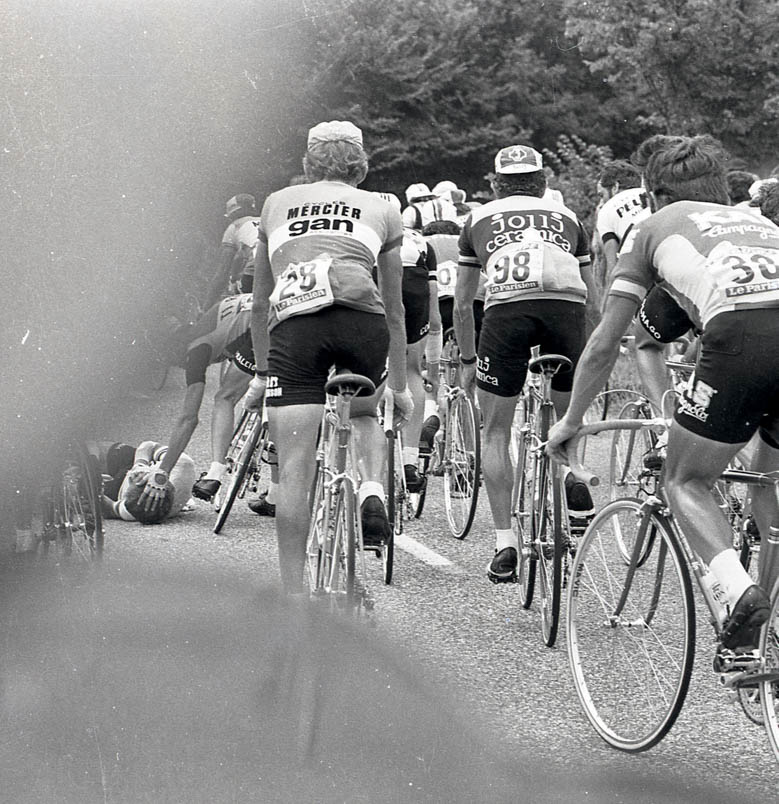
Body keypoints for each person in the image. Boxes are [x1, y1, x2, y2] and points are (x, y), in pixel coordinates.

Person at [547, 136, 779, 652]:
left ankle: (741, 595)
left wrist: (572, 420)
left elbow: (609, 340)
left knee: (686, 479)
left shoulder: (652, 227)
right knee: (766, 480)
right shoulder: (762, 222)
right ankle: (759, 640)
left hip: (742, 337)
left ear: (653, 195)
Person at [243, 120, 412, 592]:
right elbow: (395, 308)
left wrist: (261, 373)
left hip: (297, 327)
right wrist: (397, 387)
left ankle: (293, 596)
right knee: (362, 414)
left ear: (309, 162)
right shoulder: (382, 207)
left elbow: (259, 301)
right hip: (362, 322)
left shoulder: (277, 202)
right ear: (360, 163)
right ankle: (372, 489)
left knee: (295, 470)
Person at [454, 143, 598, 583]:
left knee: (495, 431)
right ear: (544, 183)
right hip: (566, 312)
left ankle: (505, 543)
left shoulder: (477, 219)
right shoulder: (569, 218)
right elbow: (592, 298)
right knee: (567, 416)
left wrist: (467, 357)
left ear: (496, 184)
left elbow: (462, 305)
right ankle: (572, 469)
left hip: (507, 313)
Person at [135, 294, 263, 517]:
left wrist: (162, 471)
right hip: (279, 312)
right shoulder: (204, 322)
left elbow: (189, 419)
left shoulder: (195, 351)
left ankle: (216, 470)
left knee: (224, 397)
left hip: (262, 327)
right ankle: (273, 495)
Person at [96, 440, 196, 524]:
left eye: (132, 481)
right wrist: (140, 465)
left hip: (117, 491)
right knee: (102, 449)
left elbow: (108, 507)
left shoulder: (130, 511)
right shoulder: (181, 464)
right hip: (141, 463)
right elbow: (148, 445)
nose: (131, 476)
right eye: (141, 477)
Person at [594, 160, 651, 287]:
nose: (601, 202)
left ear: (615, 187)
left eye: (601, 195)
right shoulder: (650, 194)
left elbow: (613, 268)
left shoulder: (606, 210)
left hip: (639, 265)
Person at [203, 194, 261, 310]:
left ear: (232, 214)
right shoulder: (263, 221)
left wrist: (207, 307)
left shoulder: (234, 227)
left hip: (257, 268)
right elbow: (240, 258)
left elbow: (222, 272)